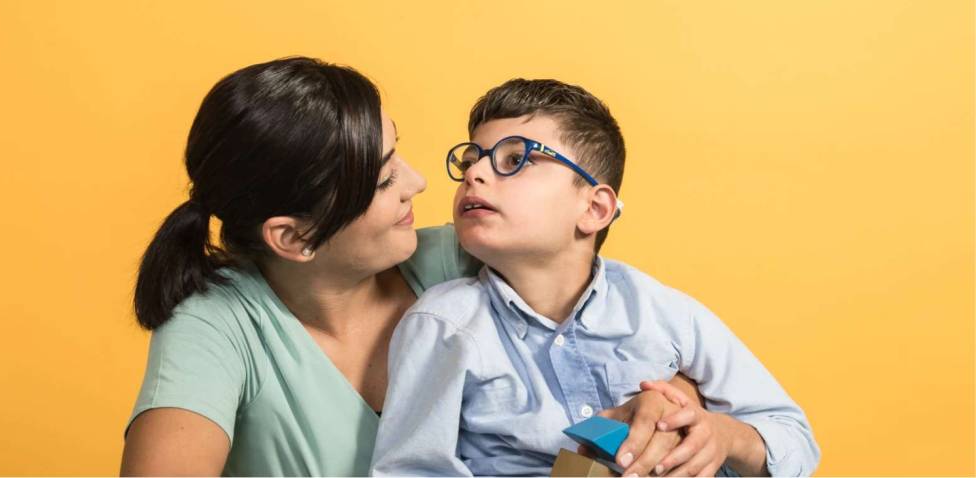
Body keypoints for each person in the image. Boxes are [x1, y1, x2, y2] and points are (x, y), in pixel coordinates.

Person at [120, 57, 702, 476]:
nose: (418, 183)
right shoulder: (213, 328)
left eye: (396, 150)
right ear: (295, 237)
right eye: (381, 178)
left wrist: (666, 394)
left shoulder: (465, 256)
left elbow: (617, 327)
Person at [371, 79, 820, 477]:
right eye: (472, 159)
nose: (475, 173)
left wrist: (723, 436)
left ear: (595, 209)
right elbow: (410, 469)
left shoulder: (661, 310)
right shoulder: (444, 325)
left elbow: (795, 440)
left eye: (515, 159)